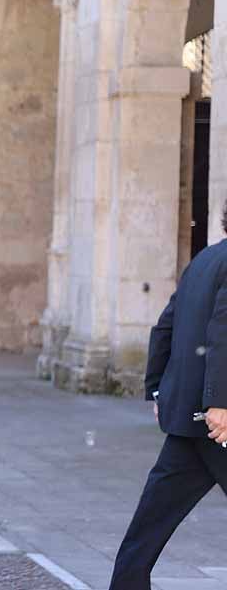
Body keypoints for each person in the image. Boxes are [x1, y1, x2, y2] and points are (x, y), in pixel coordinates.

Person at [109, 199, 227, 590]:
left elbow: (164, 328)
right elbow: (221, 336)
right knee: (153, 518)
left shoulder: (204, 261)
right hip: (216, 423)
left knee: (151, 522)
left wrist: (159, 391)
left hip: (187, 418)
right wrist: (219, 403)